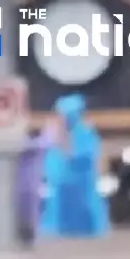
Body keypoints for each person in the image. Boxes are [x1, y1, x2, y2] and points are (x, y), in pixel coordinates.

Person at [39, 94, 109, 239]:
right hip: (59, 190)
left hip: (82, 186)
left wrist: (64, 141)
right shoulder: (52, 132)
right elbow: (46, 156)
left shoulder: (86, 132)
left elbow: (84, 157)